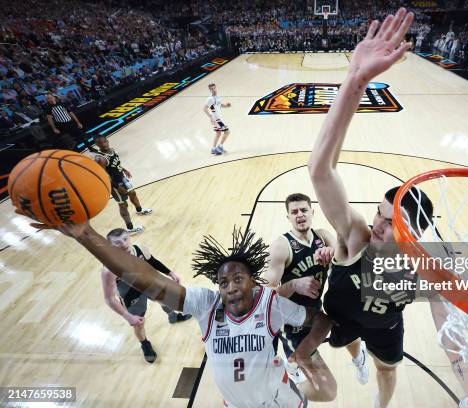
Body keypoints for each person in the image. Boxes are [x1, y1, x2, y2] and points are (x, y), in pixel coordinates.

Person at [39, 222, 336, 407]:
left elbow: (320, 319)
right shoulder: (206, 304)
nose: (230, 287)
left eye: (238, 280)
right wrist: (86, 235)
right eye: (223, 282)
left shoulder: (269, 302)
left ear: (252, 283)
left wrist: (305, 351)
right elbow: (151, 282)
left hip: (280, 402)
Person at [307, 9, 436, 408]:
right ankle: (355, 355)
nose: (377, 223)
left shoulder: (420, 261)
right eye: (379, 213)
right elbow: (320, 171)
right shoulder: (358, 238)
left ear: (413, 234)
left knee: (388, 370)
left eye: (389, 221)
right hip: (341, 315)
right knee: (337, 343)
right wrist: (356, 81)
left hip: (386, 325)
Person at [264, 193, 349, 387]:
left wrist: (333, 253)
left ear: (312, 212)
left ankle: (291, 366)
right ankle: (292, 370)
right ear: (288, 217)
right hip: (289, 319)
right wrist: (294, 284)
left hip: (315, 309)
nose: (300, 214)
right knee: (309, 373)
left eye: (303, 210)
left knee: (348, 325)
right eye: (294, 212)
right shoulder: (281, 246)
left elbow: (346, 259)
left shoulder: (323, 236)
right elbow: (266, 296)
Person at [102, 228, 192, 363]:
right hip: (131, 295)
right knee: (138, 323)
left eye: (125, 239)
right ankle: (145, 344)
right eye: (117, 243)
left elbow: (153, 261)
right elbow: (109, 298)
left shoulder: (139, 249)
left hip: (148, 283)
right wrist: (127, 316)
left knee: (165, 301)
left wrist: (171, 273)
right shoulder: (109, 268)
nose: (124, 244)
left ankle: (173, 317)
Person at [90, 135, 152, 234]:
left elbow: (115, 164)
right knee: (123, 205)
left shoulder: (111, 150)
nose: (103, 144)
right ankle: (130, 228)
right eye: (100, 143)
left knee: (132, 193)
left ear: (107, 141)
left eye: (104, 141)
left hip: (121, 177)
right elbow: (105, 176)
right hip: (114, 184)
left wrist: (124, 169)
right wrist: (117, 187)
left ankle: (139, 210)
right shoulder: (100, 159)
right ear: (97, 145)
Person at [204, 83, 231, 155]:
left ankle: (213, 149)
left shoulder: (217, 97)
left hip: (218, 118)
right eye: (212, 89)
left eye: (214, 88)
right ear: (210, 90)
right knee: (227, 132)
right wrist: (210, 117)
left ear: (216, 88)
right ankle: (220, 147)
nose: (213, 90)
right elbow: (204, 108)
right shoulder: (210, 99)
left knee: (218, 133)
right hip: (217, 119)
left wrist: (226, 105)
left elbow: (219, 105)